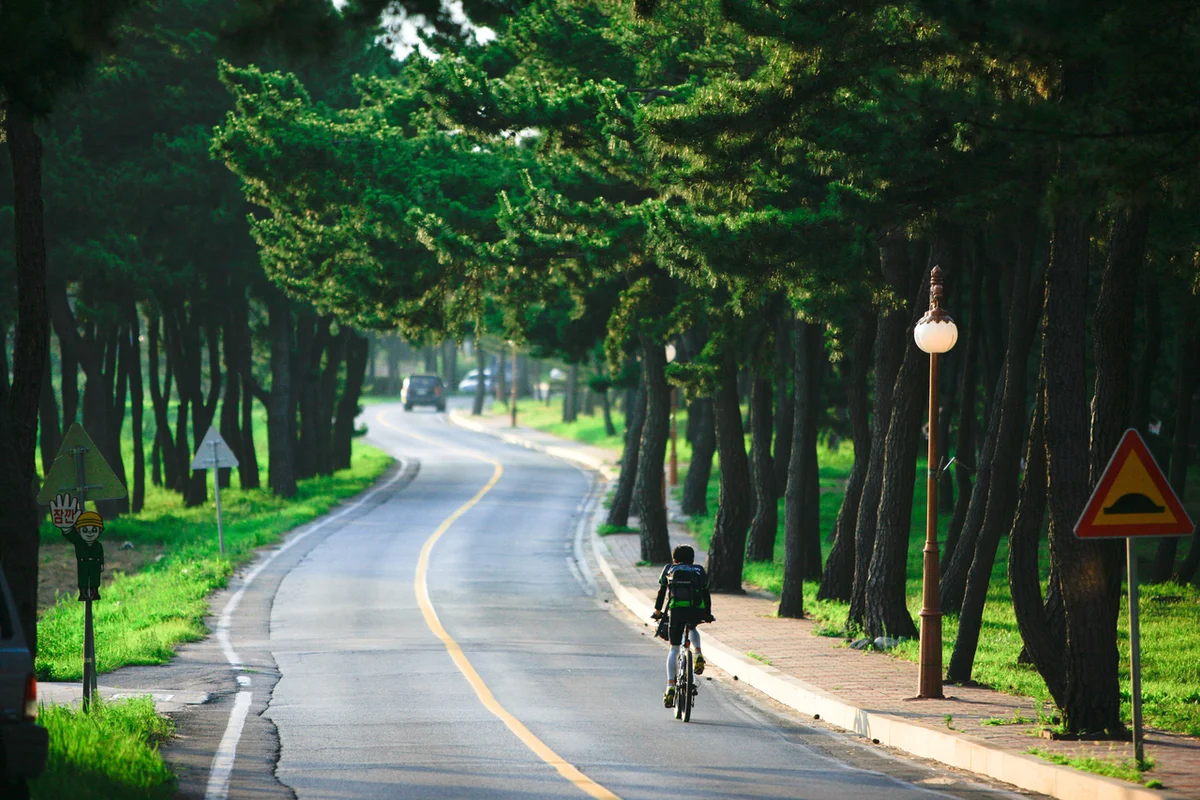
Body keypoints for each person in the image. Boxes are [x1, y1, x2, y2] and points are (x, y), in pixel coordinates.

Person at [651, 545, 714, 707]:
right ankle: (698, 653)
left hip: (676, 611)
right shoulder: (699, 570)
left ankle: (670, 685)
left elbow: (662, 592)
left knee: (674, 648)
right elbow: (705, 593)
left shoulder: (669, 569)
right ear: (692, 559)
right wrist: (707, 613)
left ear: (674, 559)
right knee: (692, 628)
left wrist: (657, 612)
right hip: (695, 610)